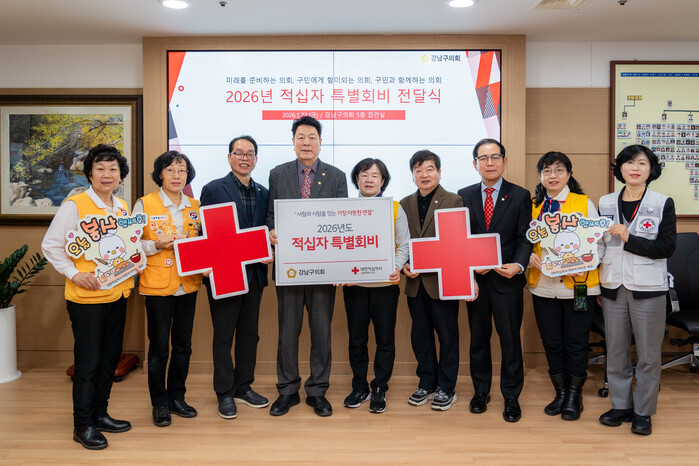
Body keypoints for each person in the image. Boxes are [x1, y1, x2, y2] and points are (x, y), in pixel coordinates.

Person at [41, 144, 133, 450]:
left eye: (113, 169)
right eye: (100, 168)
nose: (107, 174)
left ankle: (100, 414)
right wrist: (73, 272)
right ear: (90, 173)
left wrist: (145, 250)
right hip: (87, 298)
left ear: (120, 175)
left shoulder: (120, 207)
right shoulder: (75, 205)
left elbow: (125, 246)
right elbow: (51, 244)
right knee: (88, 363)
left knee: (109, 360)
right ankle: (83, 425)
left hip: (117, 293)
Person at [267, 115, 348, 417]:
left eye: (312, 137)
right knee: (288, 332)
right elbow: (270, 215)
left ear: (320, 142)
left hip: (324, 269)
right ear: (293, 141)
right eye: (300, 137)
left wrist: (340, 266)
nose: (306, 142)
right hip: (289, 267)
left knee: (321, 332)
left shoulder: (336, 176)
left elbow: (342, 222)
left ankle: (317, 391)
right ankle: (287, 390)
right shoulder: (278, 173)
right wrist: (270, 232)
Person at [597, 144, 676, 436]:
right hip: (612, 285)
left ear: (651, 170)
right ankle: (621, 406)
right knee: (616, 351)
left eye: (642, 163)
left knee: (648, 355)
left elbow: (666, 248)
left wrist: (630, 237)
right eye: (629, 162)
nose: (635, 168)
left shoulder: (662, 202)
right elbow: (598, 244)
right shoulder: (605, 202)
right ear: (620, 168)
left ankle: (643, 411)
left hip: (649, 288)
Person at [458, 138, 532, 423]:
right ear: (474, 163)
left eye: (495, 157)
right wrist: (469, 271)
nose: (489, 163)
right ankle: (481, 392)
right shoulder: (464, 195)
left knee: (510, 341)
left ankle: (511, 396)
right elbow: (460, 239)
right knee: (478, 340)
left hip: (507, 280)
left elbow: (524, 237)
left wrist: (518, 265)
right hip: (477, 282)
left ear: (504, 161)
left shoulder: (520, 195)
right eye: (483, 158)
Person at [526, 151, 602, 421]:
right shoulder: (534, 206)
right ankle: (560, 392)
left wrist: (587, 262)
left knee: (576, 343)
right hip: (543, 286)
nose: (553, 176)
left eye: (559, 170)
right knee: (552, 342)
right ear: (540, 176)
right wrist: (528, 256)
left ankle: (574, 395)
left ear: (569, 174)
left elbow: (599, 243)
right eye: (547, 171)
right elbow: (524, 241)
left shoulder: (583, 203)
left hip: (578, 287)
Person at [200, 135, 271, 419]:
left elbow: (265, 231)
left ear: (256, 159)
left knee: (250, 335)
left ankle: (244, 387)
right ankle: (224, 393)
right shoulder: (213, 188)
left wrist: (268, 246)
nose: (244, 158)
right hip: (224, 274)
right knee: (224, 336)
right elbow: (203, 232)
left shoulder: (264, 192)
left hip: (254, 274)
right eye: (239, 153)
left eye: (249, 154)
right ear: (229, 157)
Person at [132, 151, 202, 427]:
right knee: (159, 348)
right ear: (160, 173)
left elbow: (202, 242)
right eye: (170, 170)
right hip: (157, 286)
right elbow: (131, 245)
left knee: (183, 347)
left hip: (188, 284)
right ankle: (159, 403)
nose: (176, 175)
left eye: (181, 170)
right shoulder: (145, 203)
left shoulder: (195, 205)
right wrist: (155, 245)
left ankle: (177, 397)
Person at [342, 158, 410, 414]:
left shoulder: (395, 208)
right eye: (364, 175)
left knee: (385, 340)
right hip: (355, 286)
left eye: (375, 176)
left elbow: (404, 245)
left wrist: (395, 267)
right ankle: (359, 386)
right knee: (356, 339)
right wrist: (342, 271)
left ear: (383, 181)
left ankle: (380, 387)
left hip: (385, 286)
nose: (369, 180)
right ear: (356, 179)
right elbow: (338, 244)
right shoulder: (345, 208)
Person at [400, 150, 464, 411]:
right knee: (421, 337)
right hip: (415, 283)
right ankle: (426, 382)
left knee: (448, 337)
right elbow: (401, 243)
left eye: (429, 169)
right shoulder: (404, 203)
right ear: (413, 175)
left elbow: (457, 242)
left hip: (443, 283)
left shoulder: (453, 200)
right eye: (418, 170)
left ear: (439, 172)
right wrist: (403, 265)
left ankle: (447, 387)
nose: (424, 175)